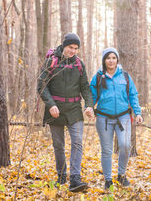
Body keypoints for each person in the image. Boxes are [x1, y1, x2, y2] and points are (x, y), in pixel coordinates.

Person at [37, 33, 94, 192]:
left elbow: (85, 88)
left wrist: (89, 105)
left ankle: (75, 179)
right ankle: (61, 176)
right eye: (71, 47)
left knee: (77, 142)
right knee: (58, 145)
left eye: (76, 49)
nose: (73, 51)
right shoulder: (51, 62)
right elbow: (41, 85)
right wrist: (50, 105)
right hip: (55, 109)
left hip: (74, 109)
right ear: (64, 46)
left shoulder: (79, 64)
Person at [88, 47, 143, 190]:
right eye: (108, 58)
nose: (111, 60)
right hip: (103, 118)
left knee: (125, 146)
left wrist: (137, 113)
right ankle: (108, 180)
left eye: (113, 58)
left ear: (117, 60)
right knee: (106, 150)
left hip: (123, 117)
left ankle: (121, 175)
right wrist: (88, 108)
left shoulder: (125, 76)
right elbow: (91, 96)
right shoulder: (98, 76)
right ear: (104, 60)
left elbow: (133, 95)